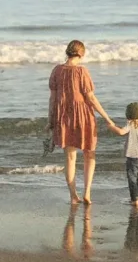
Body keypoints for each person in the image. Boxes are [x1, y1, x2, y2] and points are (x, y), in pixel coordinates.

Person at [47, 40, 115, 209]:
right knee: (89, 154)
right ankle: (87, 192)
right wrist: (107, 117)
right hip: (83, 116)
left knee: (70, 158)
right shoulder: (82, 71)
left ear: (67, 52)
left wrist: (50, 119)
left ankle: (73, 196)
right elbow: (90, 98)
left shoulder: (57, 70)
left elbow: (53, 99)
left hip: (64, 117)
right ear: (81, 53)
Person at [108, 102, 138, 207]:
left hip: (133, 157)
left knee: (132, 178)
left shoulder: (130, 125)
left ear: (129, 115)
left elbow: (121, 132)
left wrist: (111, 127)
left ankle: (134, 200)